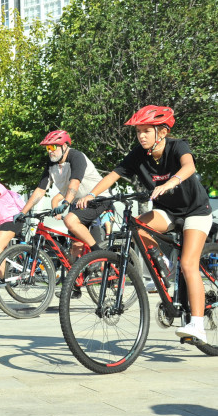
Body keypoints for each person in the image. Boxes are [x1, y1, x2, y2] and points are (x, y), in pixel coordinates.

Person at [77, 105, 212, 343]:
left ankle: (198, 325)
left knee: (189, 264)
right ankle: (164, 266)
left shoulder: (176, 146)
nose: (141, 135)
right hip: (168, 212)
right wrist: (92, 194)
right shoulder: (139, 153)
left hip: (195, 211)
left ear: (162, 131)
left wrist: (170, 183)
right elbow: (114, 174)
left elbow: (189, 167)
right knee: (138, 226)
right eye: (138, 131)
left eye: (146, 130)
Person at [17, 130, 111, 260]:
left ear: (64, 145)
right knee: (75, 248)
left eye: (52, 147)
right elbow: (40, 190)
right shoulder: (51, 163)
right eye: (47, 148)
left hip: (97, 199)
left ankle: (99, 253)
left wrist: (65, 203)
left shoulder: (76, 156)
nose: (50, 151)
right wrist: (23, 212)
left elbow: (74, 183)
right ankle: (77, 278)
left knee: (70, 220)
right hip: (79, 203)